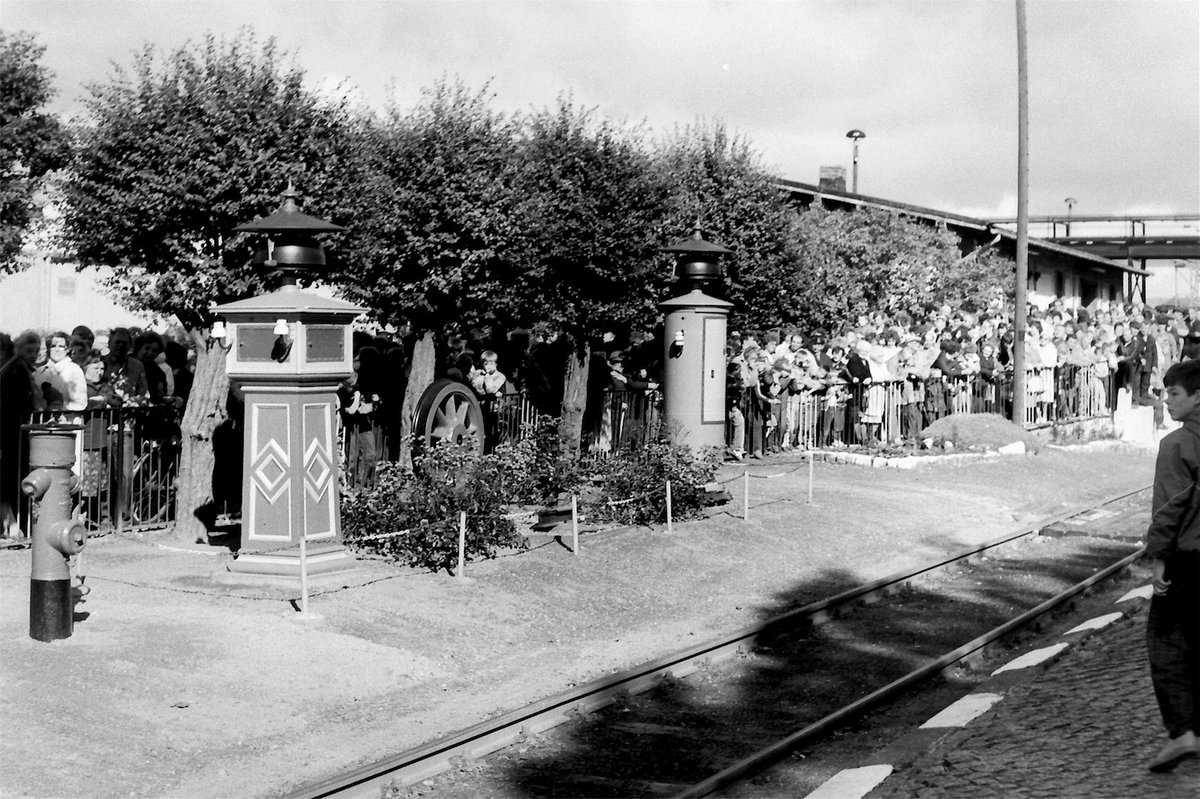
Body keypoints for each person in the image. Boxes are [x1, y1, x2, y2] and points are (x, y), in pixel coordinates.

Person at [1143, 359, 1200, 772]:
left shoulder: (1178, 444)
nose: (1167, 401)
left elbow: (1169, 507)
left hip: (1187, 561)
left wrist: (1159, 557)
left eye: (1174, 393)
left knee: (1166, 645)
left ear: (1198, 396)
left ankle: (1183, 733)